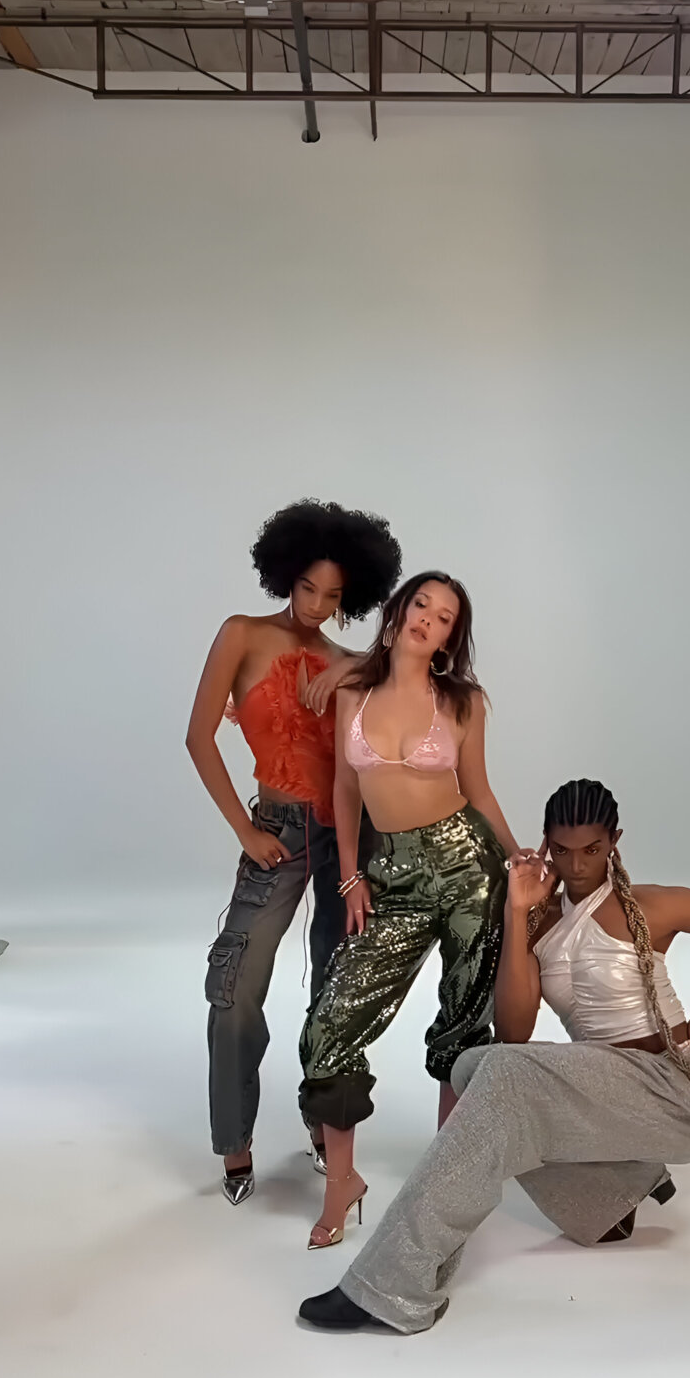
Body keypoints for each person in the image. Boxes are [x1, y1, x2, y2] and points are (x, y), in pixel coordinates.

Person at [298, 776, 690, 1331]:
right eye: (562, 851)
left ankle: (392, 1285)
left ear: (614, 841)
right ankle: (609, 1199)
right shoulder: (540, 921)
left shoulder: (655, 905)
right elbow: (514, 1032)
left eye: (592, 849)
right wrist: (518, 914)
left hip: (677, 1090)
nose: (578, 865)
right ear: (545, 844)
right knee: (473, 1067)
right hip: (610, 1095)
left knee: (501, 1075)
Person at [298, 571, 526, 1250]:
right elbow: (345, 790)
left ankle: (445, 1184)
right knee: (330, 1026)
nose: (428, 618)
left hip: (467, 868)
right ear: (398, 611)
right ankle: (342, 1182)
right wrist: (349, 877)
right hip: (388, 874)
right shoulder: (353, 693)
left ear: (450, 639)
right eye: (420, 604)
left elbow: (478, 790)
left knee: (463, 1021)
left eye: (445, 617)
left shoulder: (461, 701)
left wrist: (517, 858)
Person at [186, 500, 401, 1206]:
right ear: (285, 575)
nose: (315, 605)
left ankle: (324, 1122)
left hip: (350, 835)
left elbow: (414, 678)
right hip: (276, 828)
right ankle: (234, 1141)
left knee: (336, 990)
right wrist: (244, 832)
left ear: (350, 598)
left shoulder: (349, 661)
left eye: (332, 596)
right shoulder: (242, 634)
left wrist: (353, 670)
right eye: (307, 587)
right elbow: (198, 737)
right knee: (235, 983)